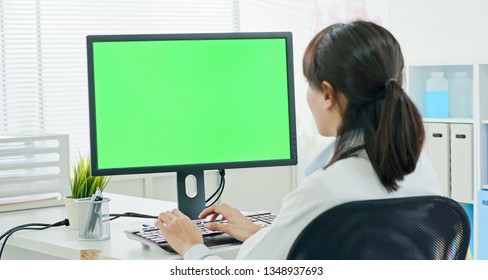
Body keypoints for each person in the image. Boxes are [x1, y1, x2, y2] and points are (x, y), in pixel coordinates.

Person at [154, 20, 441, 260]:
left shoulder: (324, 189)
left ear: (327, 94)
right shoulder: (421, 170)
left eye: (308, 85)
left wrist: (191, 246)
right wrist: (259, 233)